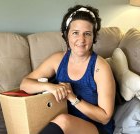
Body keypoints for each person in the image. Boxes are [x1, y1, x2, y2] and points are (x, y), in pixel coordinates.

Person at [20, 4, 116, 134]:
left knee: (63, 120)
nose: (81, 40)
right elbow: (25, 84)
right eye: (75, 33)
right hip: (62, 126)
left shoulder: (101, 68)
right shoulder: (58, 59)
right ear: (66, 35)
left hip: (95, 127)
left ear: (93, 37)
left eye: (87, 34)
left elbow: (105, 118)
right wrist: (50, 87)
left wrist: (72, 98)